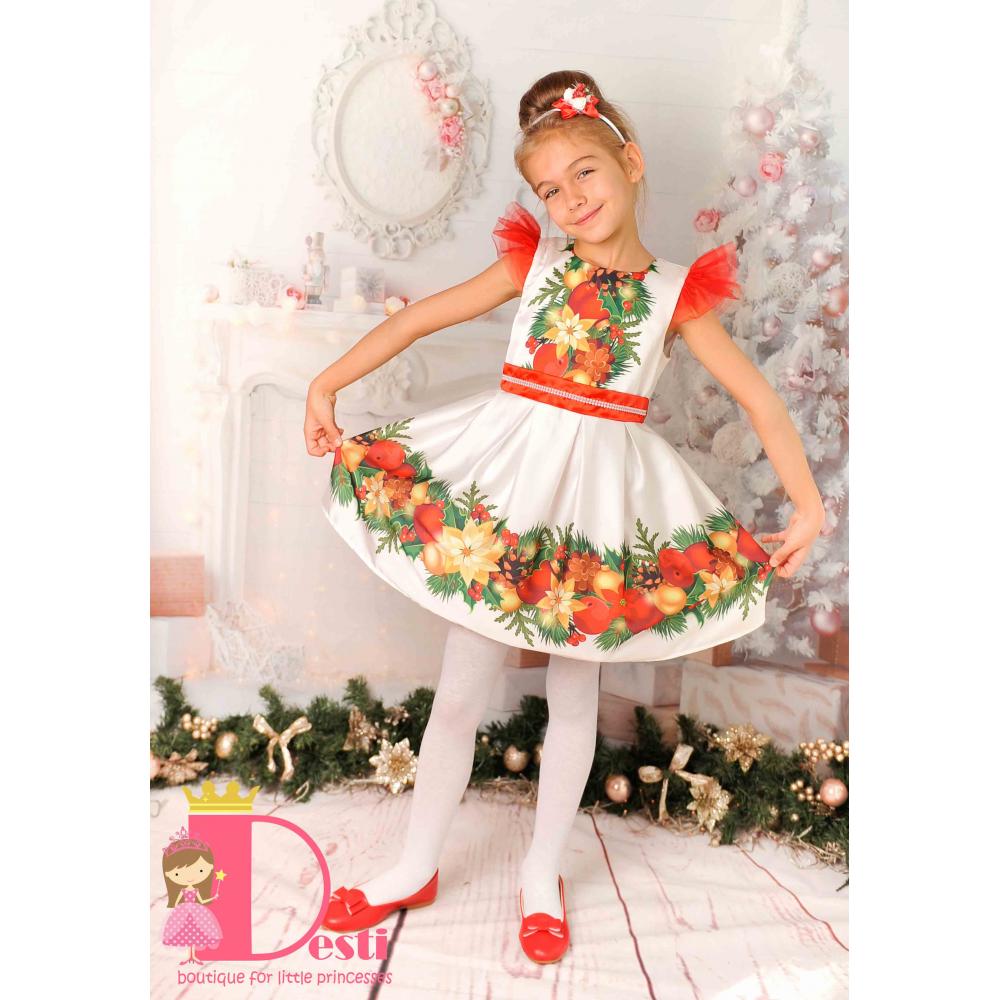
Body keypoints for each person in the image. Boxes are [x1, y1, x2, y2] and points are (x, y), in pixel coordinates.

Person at [304, 71, 824, 964]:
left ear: (631, 163)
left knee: (573, 695)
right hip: (506, 499)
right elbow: (422, 318)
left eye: (585, 173)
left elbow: (760, 400)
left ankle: (541, 874)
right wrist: (326, 383)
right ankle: (414, 864)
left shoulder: (675, 293)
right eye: (550, 189)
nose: (571, 199)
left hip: (596, 515)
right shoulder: (533, 264)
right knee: (461, 690)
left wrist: (808, 504)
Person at [161, 827, 223, 965]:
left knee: (197, 932)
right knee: (186, 932)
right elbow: (177, 901)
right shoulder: (182, 890)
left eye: (200, 870)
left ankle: (193, 956)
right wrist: (175, 908)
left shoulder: (196, 890)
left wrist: (213, 898)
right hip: (184, 911)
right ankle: (190, 956)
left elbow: (202, 900)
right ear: (168, 874)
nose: (190, 877)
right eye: (177, 873)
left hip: (197, 911)